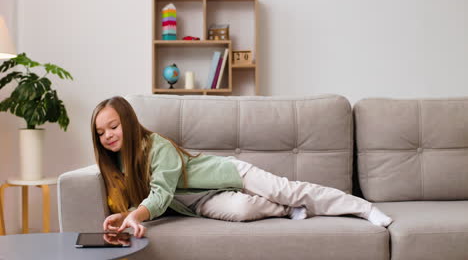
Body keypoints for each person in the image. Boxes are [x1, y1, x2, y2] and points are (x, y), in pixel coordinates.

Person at [92, 96, 393, 238]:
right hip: (202, 201)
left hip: (230, 174)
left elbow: (158, 196)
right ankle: (289, 210)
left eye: (113, 126)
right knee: (241, 211)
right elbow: (143, 200)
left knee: (286, 190)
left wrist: (134, 214)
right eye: (101, 133)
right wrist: (124, 215)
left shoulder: (157, 146)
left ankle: (360, 207)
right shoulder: (120, 164)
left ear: (128, 122)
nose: (108, 136)